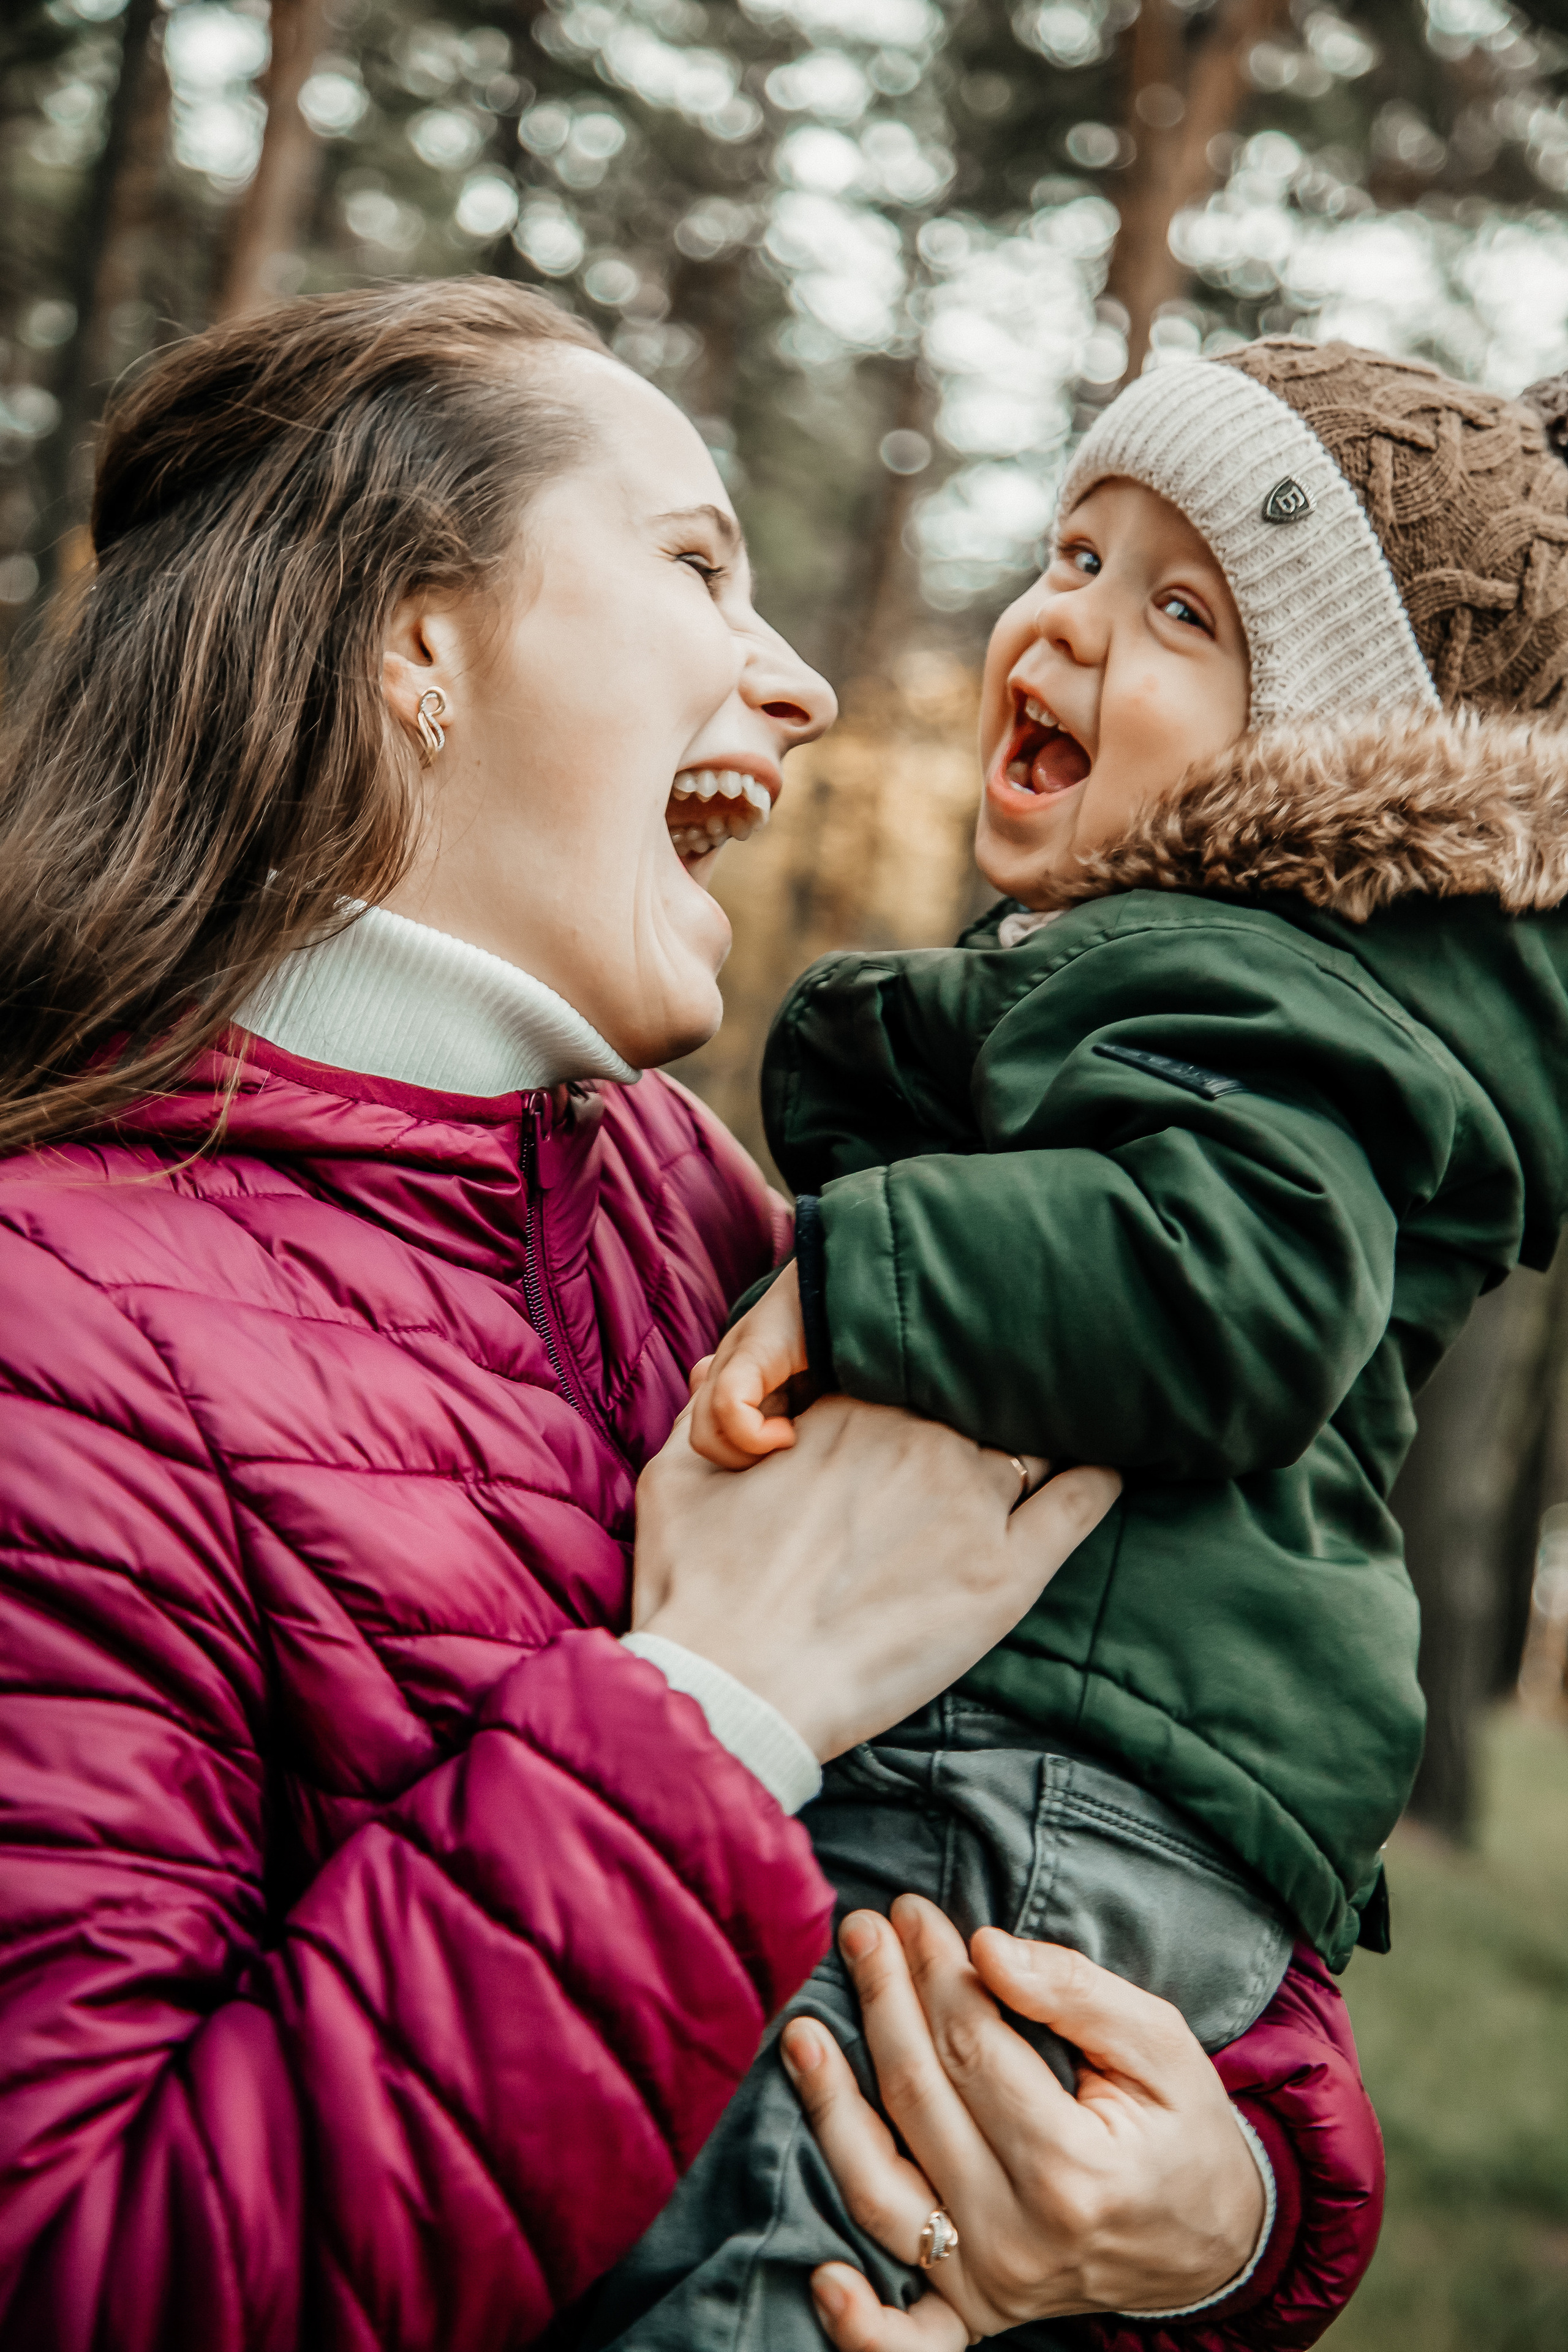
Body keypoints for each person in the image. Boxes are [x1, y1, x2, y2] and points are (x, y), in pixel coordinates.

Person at [0, 283, 1379, 2351]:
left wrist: (1235, 2203)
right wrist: (710, 1711)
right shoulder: (51, 1328)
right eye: (693, 565)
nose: (808, 681)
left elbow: (1099, 1755)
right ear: (414, 643)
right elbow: (93, 2272)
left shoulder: (719, 1216)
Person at [589, 338, 1568, 2348]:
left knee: (812, 2211)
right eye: (1076, 552)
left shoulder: (1249, 980)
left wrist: (858, 1271)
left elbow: (1237, 1282)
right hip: (1055, 1754)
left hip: (1040, 1773)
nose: (1069, 621)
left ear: (1321, 759)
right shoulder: (1195, 974)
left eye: (1183, 610)